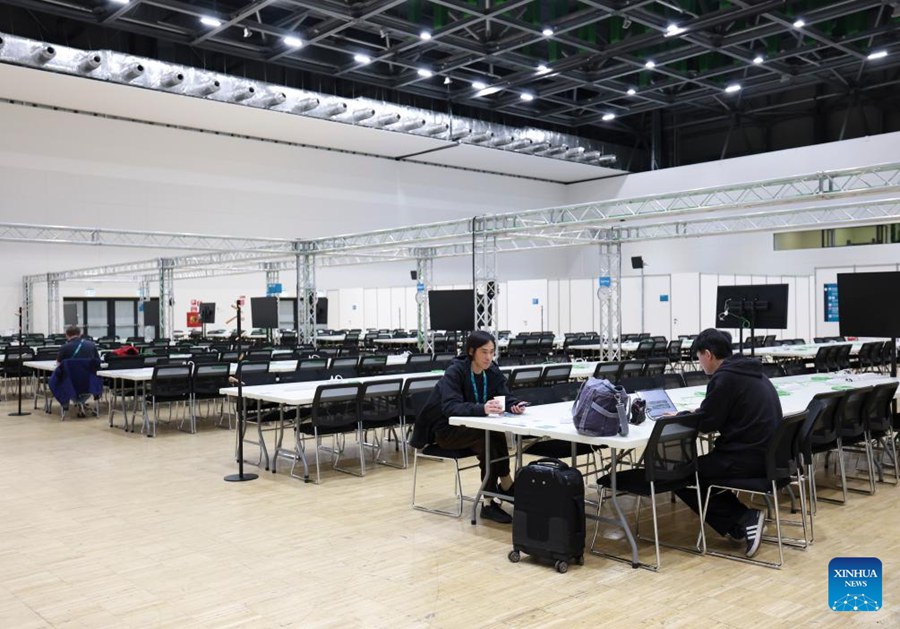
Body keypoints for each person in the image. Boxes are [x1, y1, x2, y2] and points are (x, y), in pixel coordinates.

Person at [673, 328, 781, 558]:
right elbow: (720, 412)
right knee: (700, 470)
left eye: (699, 357)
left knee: (679, 474)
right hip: (770, 456)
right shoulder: (752, 372)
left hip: (746, 458)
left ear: (708, 354)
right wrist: (700, 412)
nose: (699, 363)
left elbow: (707, 423)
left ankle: (745, 518)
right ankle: (739, 526)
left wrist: (681, 416)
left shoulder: (725, 378)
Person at [410, 331, 528, 524]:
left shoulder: (492, 369)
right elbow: (450, 407)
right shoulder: (456, 371)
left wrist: (513, 404)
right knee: (487, 438)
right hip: (446, 431)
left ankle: (499, 491)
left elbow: (504, 395)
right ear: (471, 351)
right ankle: (496, 496)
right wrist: (482, 408)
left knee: (493, 435)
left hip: (473, 428)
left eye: (492, 352)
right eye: (484, 352)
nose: (489, 357)